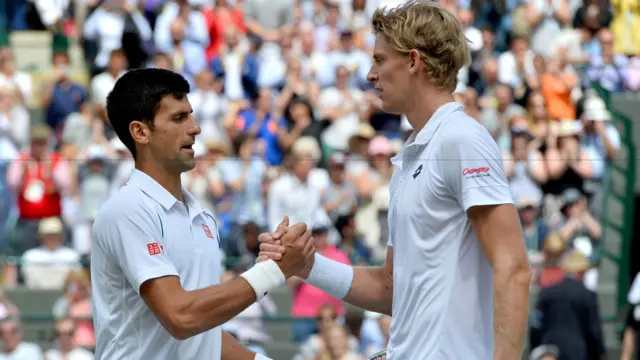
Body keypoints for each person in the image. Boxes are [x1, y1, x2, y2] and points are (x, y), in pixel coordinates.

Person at [257, 2, 531, 359]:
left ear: (413, 61)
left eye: (380, 60)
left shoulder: (461, 139)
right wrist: (306, 265)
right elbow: (390, 287)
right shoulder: (413, 154)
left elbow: (514, 269)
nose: (371, 74)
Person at [91, 68, 315, 360]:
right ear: (140, 132)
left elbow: (202, 333)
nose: (195, 128)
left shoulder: (203, 216)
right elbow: (181, 317)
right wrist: (272, 272)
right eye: (178, 118)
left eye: (191, 115)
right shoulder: (128, 210)